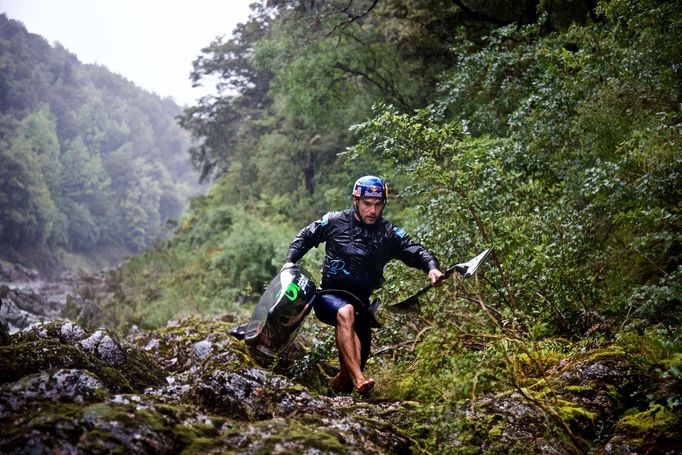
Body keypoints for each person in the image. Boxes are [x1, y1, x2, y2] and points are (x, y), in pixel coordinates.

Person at [282, 175, 444, 394]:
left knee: (347, 375)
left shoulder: (388, 232)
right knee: (345, 312)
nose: (373, 211)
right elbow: (305, 236)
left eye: (378, 205)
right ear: (356, 200)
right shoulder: (335, 220)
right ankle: (360, 379)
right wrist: (290, 261)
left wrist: (431, 267)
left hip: (362, 305)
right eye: (367, 204)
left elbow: (415, 250)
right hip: (330, 296)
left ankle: (330, 396)